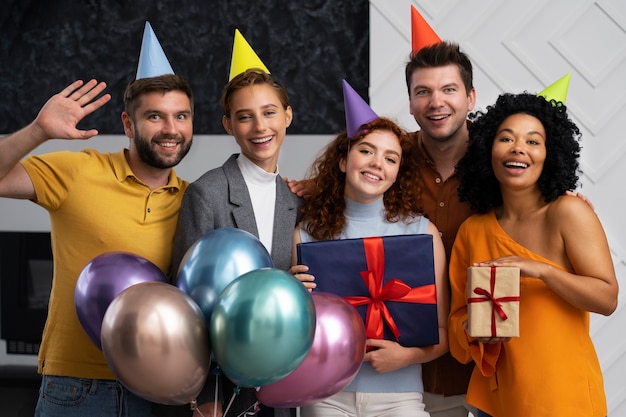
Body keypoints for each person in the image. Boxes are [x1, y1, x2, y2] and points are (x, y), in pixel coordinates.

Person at [0, 71, 194, 417]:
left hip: (158, 391)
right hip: (76, 387)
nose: (171, 129)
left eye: (181, 116)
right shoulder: (80, 171)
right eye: (154, 116)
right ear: (128, 124)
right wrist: (37, 131)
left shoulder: (194, 200)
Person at [448, 92, 618, 417]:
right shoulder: (473, 230)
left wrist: (542, 270)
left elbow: (607, 299)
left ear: (549, 155)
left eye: (533, 141)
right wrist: (473, 329)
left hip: (562, 397)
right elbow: (457, 322)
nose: (518, 148)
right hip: (494, 401)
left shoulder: (568, 213)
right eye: (506, 138)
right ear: (488, 150)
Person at [291, 110, 449, 416]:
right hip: (325, 394)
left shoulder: (422, 233)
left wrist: (405, 357)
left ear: (398, 173)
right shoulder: (306, 234)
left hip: (399, 396)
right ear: (342, 161)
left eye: (391, 158)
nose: (378, 163)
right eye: (366, 151)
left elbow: (443, 331)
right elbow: (297, 334)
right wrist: (288, 293)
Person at [171, 67, 300, 417]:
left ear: (287, 115)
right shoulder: (206, 193)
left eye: (269, 112)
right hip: (219, 388)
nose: (260, 127)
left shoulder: (296, 199)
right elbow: (184, 299)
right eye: (245, 117)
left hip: (280, 380)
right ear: (229, 125)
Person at [403, 40, 477, 417]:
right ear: (411, 102)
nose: (436, 102)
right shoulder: (388, 160)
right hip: (406, 377)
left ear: (470, 97)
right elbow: (342, 192)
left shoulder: (503, 163)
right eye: (423, 92)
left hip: (490, 371)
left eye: (449, 89)